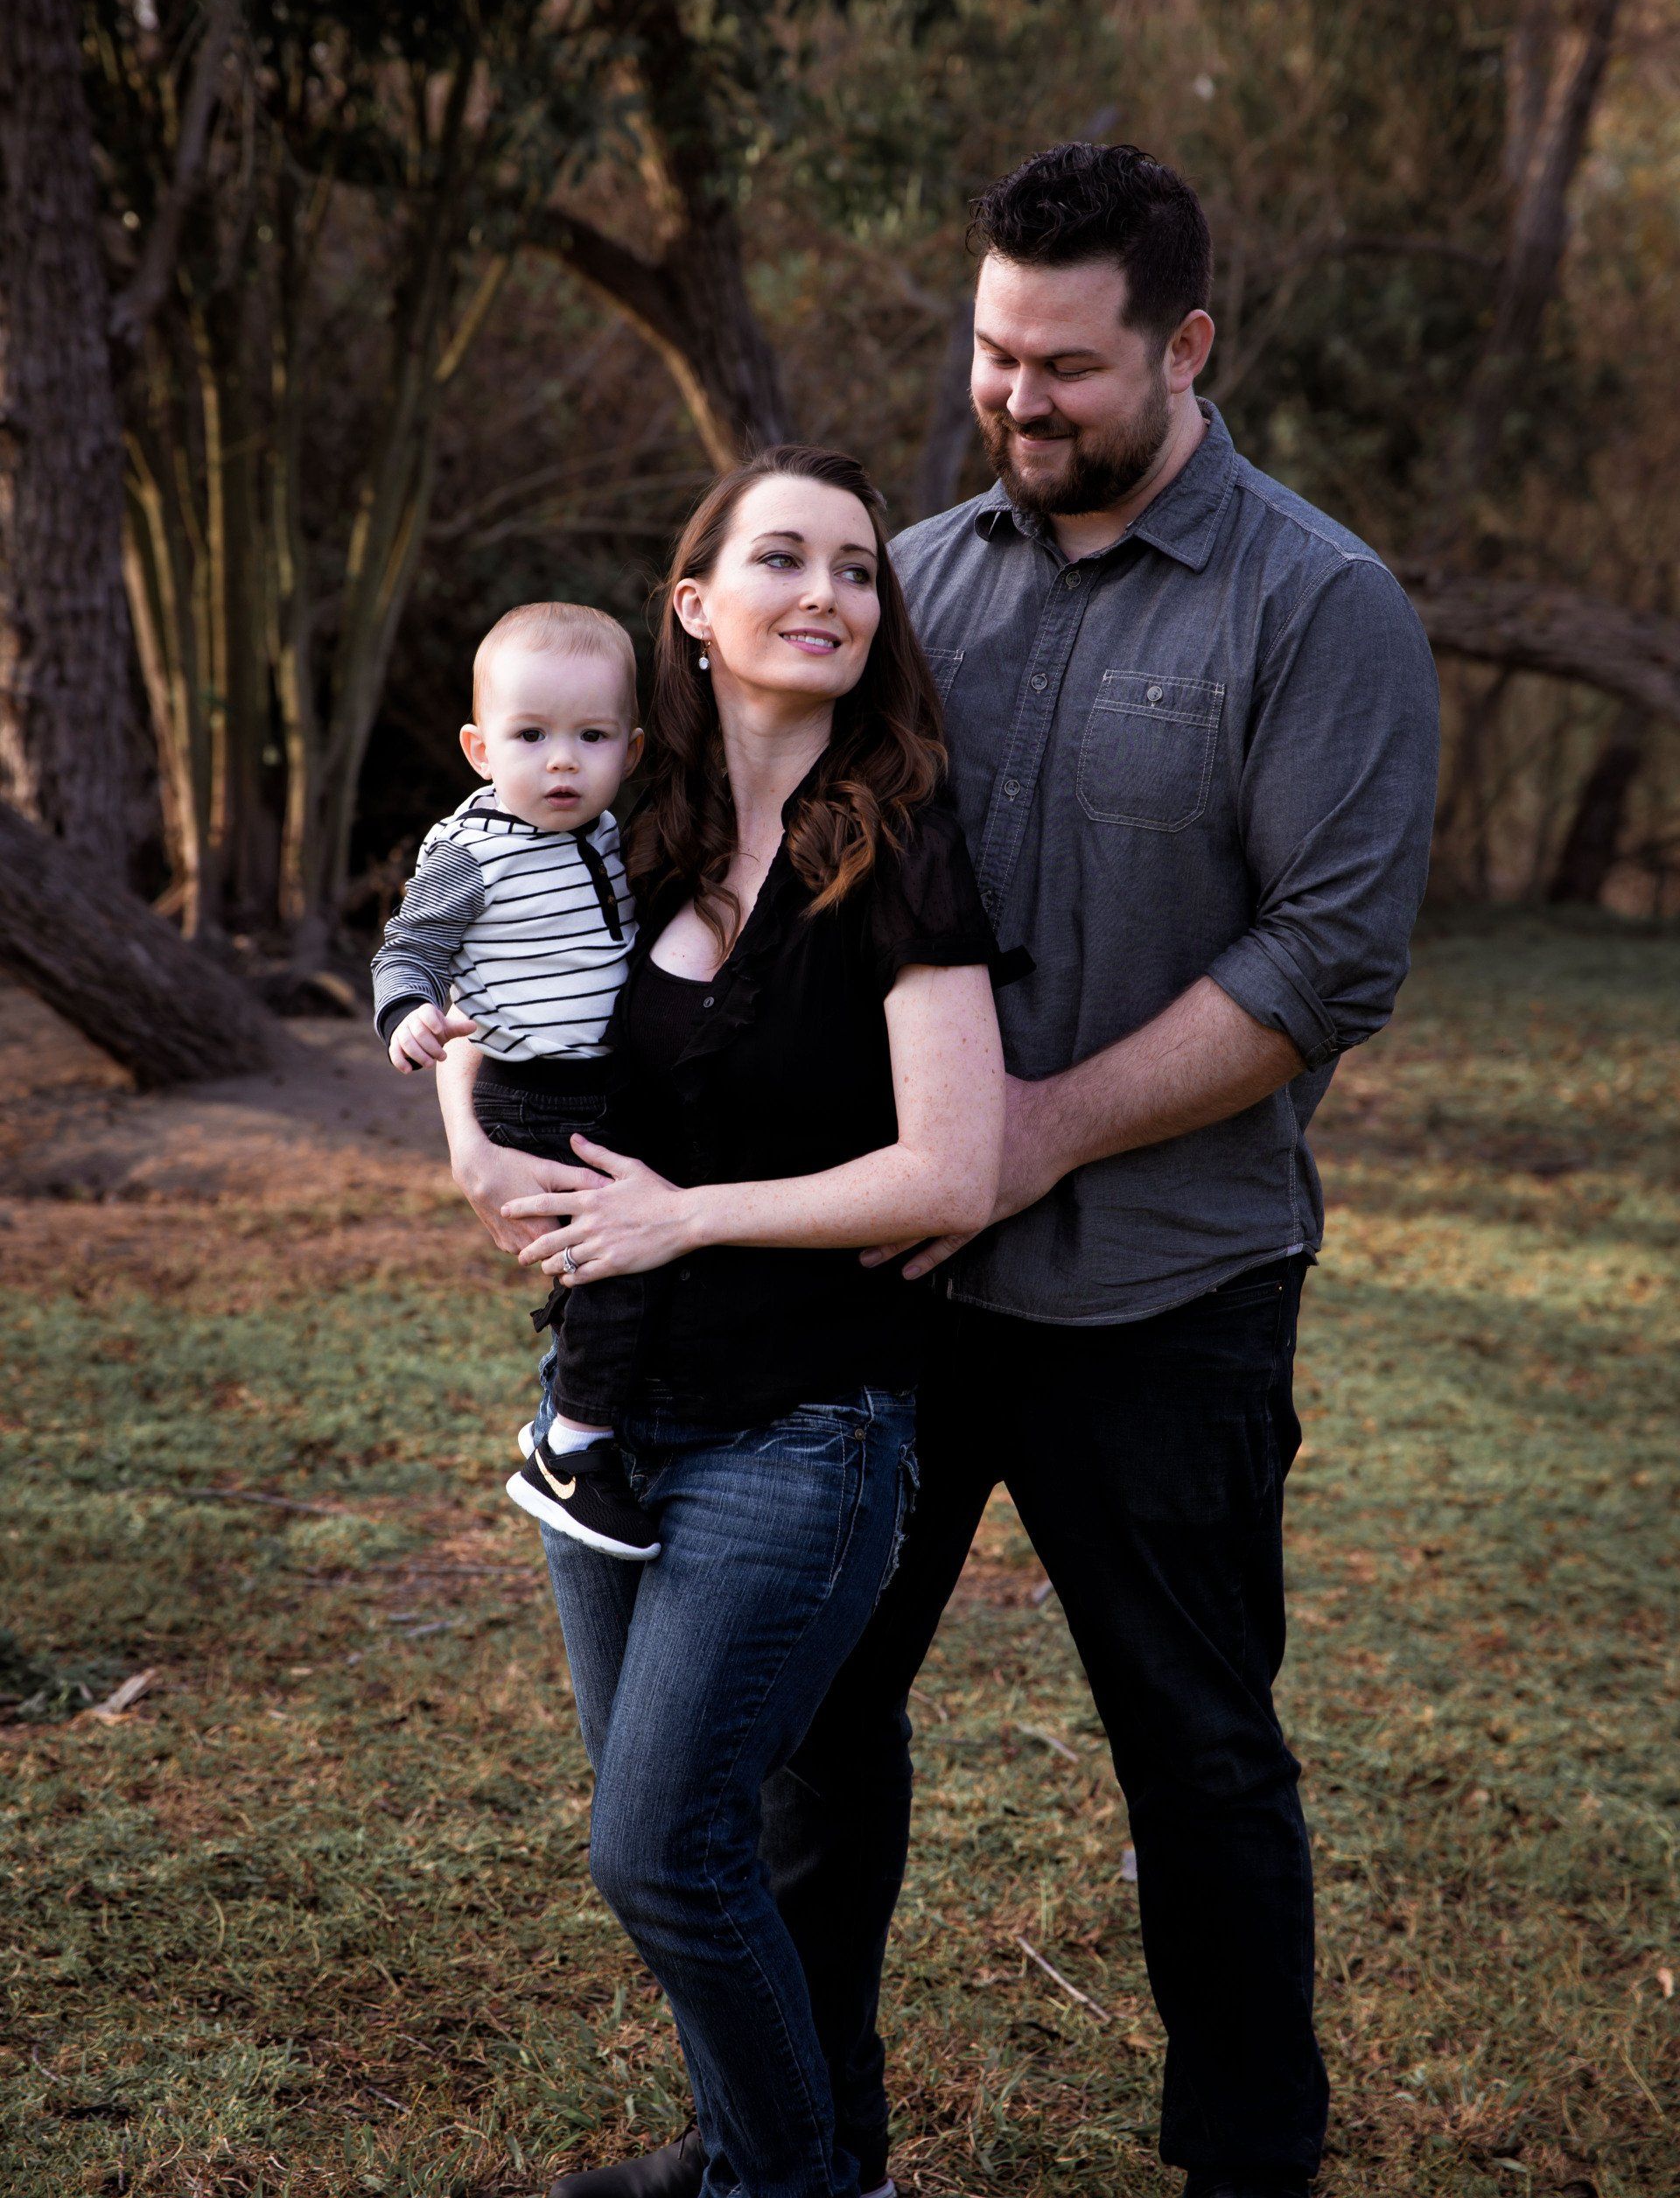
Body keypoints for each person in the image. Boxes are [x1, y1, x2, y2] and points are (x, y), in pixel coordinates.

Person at [573, 141, 1440, 2198]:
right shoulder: (920, 585)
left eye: (1065, 366)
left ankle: (1249, 2166)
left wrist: (1025, 1134)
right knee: (809, 1735)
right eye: (991, 353)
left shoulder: (1318, 607)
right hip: (892, 1301)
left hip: (1167, 1291)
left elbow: (1326, 958)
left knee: (1199, 1754)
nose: (1016, 399)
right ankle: (797, 2152)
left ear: (1186, 346)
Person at [435, 443, 1006, 2198]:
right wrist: (466, 1139)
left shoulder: (897, 844)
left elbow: (955, 1168)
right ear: (693, 606)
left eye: (857, 567)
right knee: (692, 1840)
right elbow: (466, 987)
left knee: (660, 1850)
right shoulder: (609, 817)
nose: (827, 591)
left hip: (805, 1425)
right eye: (783, 558)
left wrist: (686, 1214)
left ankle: (786, 2179)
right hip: (607, 1422)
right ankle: (769, 2161)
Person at [370, 599, 662, 1558]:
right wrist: (408, 1015)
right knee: (617, 1257)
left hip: (600, 1079)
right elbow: (411, 946)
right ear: (480, 748)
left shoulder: (608, 829)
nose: (562, 762)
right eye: (531, 736)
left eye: (592, 737)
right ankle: (571, 1448)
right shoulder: (472, 849)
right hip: (531, 1090)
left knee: (628, 1246)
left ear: (631, 749)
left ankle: (582, 1414)